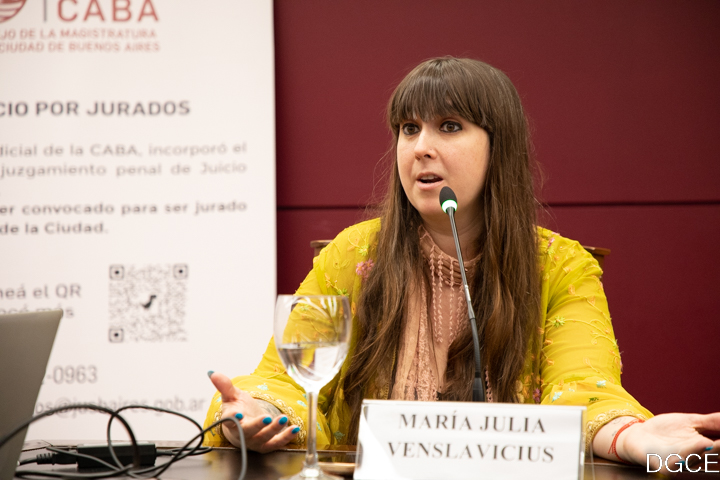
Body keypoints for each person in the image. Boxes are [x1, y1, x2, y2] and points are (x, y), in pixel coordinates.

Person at [203, 57, 720, 472]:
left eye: (449, 126)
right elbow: (288, 381)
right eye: (409, 129)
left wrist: (629, 437)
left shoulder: (561, 266)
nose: (421, 148)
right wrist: (258, 415)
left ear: (500, 147)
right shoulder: (354, 254)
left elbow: (582, 389)